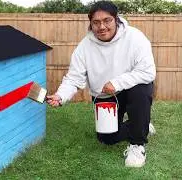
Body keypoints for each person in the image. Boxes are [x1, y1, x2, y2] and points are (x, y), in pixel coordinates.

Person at [46, 1, 156, 168]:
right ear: (90, 24)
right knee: (107, 138)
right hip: (105, 95)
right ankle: (141, 125)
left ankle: (137, 144)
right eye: (96, 22)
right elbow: (74, 78)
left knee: (141, 87)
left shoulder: (135, 38)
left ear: (116, 19)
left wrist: (117, 82)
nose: (102, 26)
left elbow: (147, 72)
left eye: (107, 20)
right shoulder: (84, 47)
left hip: (131, 89)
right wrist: (60, 95)